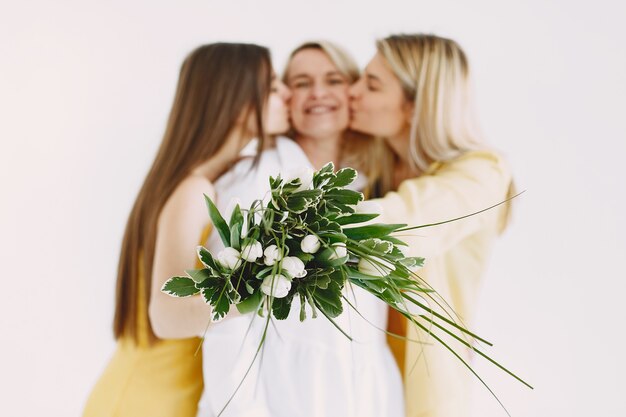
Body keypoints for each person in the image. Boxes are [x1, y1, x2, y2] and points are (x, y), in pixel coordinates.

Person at [83, 42, 285, 417]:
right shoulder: (194, 190)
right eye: (273, 87)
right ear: (238, 102)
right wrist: (265, 289)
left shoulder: (200, 180)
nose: (287, 94)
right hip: (146, 401)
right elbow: (165, 315)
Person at [349, 33, 515, 417]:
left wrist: (299, 219)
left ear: (414, 104)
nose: (352, 92)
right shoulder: (373, 171)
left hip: (423, 391)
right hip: (361, 380)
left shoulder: (482, 173)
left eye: (371, 85)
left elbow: (402, 226)